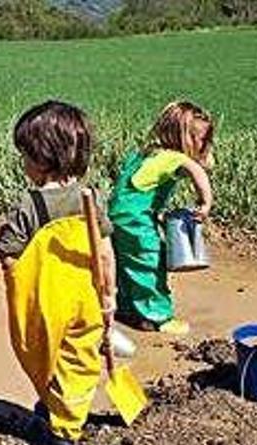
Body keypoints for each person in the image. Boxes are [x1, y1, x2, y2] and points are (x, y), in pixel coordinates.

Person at [0, 100, 128, 445]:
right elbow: (105, 253)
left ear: (41, 159)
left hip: (48, 302)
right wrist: (110, 296)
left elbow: (9, 254)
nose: (23, 164)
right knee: (80, 360)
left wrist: (14, 279)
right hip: (87, 297)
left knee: (41, 353)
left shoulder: (31, 205)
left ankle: (62, 434)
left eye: (25, 156)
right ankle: (62, 411)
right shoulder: (91, 199)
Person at [108, 100, 214, 336]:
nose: (205, 145)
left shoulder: (147, 153)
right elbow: (198, 170)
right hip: (134, 218)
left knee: (127, 263)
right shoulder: (175, 158)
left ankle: (128, 308)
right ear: (184, 138)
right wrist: (205, 203)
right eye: (202, 140)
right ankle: (158, 316)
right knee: (149, 260)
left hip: (118, 215)